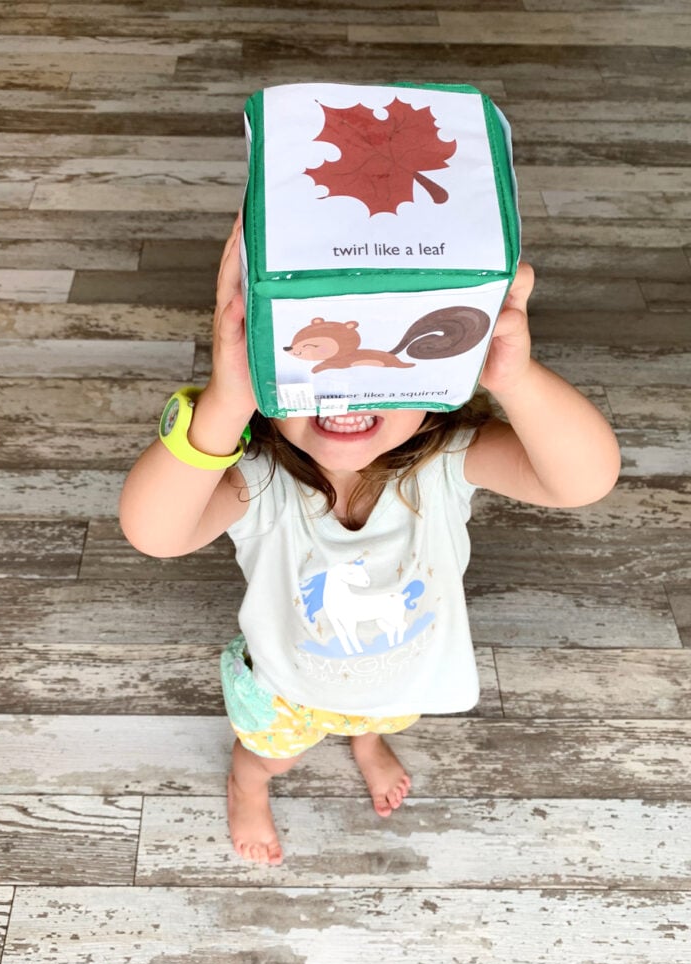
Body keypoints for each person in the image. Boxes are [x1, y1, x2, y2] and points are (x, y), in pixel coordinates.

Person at [119, 215, 621, 867]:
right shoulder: (259, 479)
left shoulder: (445, 459)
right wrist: (223, 403)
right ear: (262, 372)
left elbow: (585, 480)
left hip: (397, 683)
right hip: (287, 690)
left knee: (376, 723)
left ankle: (363, 740)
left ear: (442, 375)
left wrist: (515, 377)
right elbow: (153, 532)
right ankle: (246, 785)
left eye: (384, 358)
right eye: (313, 357)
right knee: (272, 756)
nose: (349, 383)